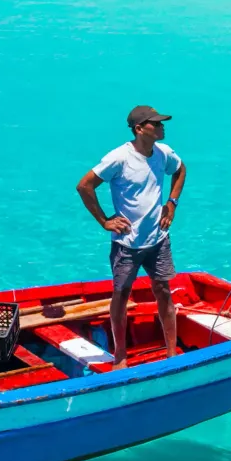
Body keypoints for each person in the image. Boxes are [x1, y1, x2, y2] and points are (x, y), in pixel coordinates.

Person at [76, 107, 185, 366]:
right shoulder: (119, 158)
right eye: (156, 124)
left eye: (161, 124)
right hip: (127, 243)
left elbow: (180, 171)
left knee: (163, 290)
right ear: (139, 129)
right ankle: (121, 355)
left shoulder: (163, 153)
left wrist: (171, 203)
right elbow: (84, 186)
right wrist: (105, 221)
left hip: (158, 240)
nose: (162, 128)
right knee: (121, 295)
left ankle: (171, 353)